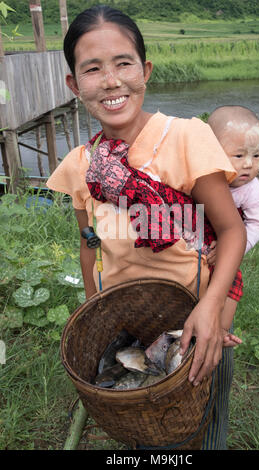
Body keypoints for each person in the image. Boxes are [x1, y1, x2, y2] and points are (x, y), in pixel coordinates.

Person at [46, 5, 246, 449]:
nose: (112, 80)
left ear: (145, 70)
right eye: (93, 69)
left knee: (195, 429)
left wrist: (211, 309)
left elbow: (232, 231)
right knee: (144, 430)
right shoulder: (78, 167)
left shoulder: (186, 138)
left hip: (195, 321)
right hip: (131, 324)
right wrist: (95, 313)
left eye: (123, 64)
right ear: (75, 85)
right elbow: (89, 242)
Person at [207, 105, 259, 346]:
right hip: (195, 244)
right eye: (239, 155)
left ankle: (220, 331)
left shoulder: (253, 191)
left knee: (233, 282)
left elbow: (257, 225)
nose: (248, 165)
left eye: (257, 156)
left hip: (225, 250)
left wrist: (231, 250)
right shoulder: (203, 179)